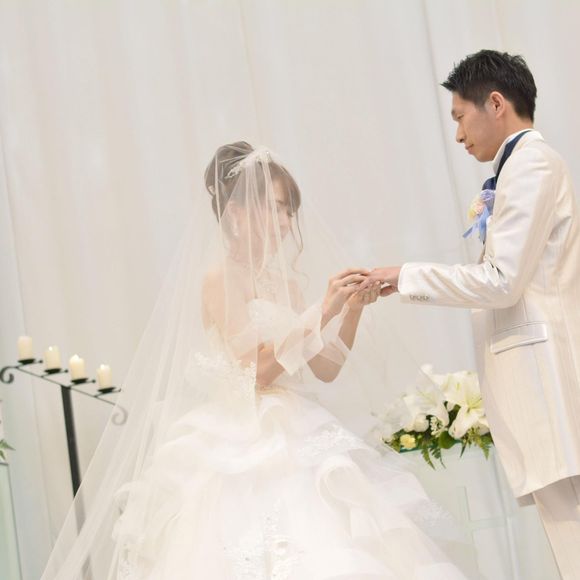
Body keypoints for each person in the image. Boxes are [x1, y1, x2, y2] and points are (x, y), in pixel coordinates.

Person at [41, 142, 469, 579]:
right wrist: (323, 310)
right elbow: (256, 371)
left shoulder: (287, 284)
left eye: (289, 211)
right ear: (237, 213)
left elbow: (325, 368)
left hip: (296, 420)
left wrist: (351, 310)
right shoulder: (219, 279)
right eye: (276, 208)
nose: (286, 222)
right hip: (240, 432)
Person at [370, 50, 580, 579]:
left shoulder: (530, 164)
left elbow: (501, 281)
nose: (460, 136)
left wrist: (405, 276)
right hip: (541, 388)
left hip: (548, 388)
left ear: (496, 104)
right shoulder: (519, 167)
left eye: (461, 117)